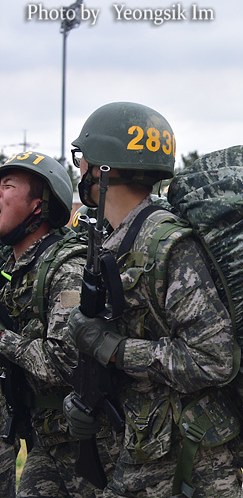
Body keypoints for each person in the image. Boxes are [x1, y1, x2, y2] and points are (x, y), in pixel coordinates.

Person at [62, 102, 243, 497]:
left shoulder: (166, 244)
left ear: (103, 169)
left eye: (84, 160)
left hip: (195, 459)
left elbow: (213, 359)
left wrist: (114, 349)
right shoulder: (114, 240)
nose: (81, 170)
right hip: (148, 446)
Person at [0, 151, 120, 497]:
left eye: (7, 186)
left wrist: (3, 339)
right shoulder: (14, 266)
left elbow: (63, 362)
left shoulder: (65, 267)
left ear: (40, 205)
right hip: (46, 439)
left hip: (89, 443)